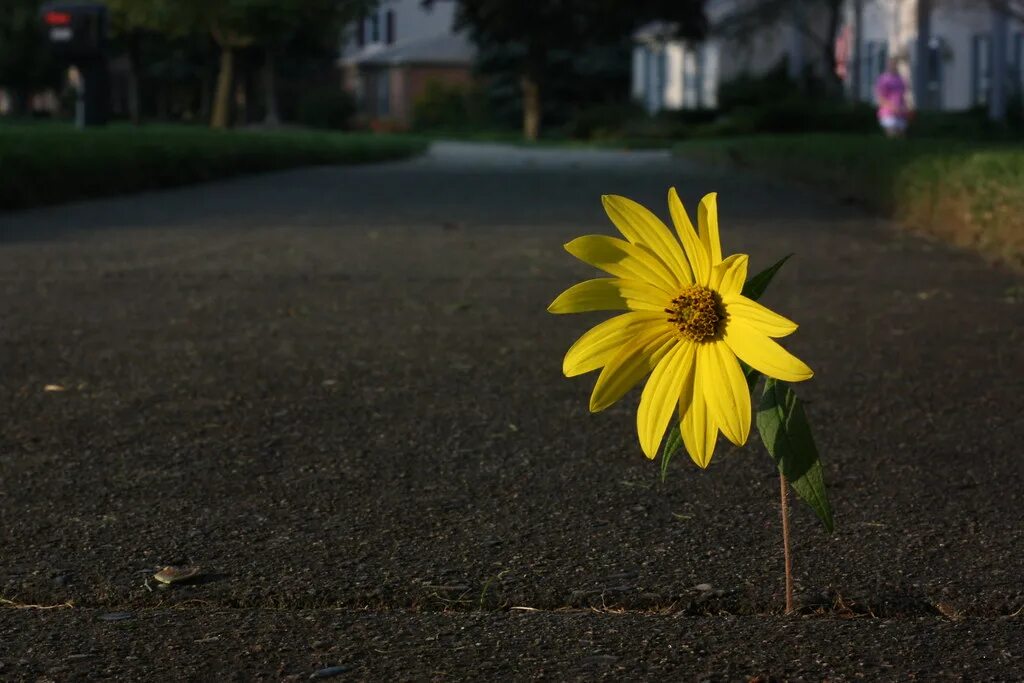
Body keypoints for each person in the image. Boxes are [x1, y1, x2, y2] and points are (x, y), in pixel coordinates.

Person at [875, 58, 909, 138]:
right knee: (891, 135)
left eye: (895, 64)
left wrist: (905, 107)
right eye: (891, 64)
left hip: (901, 114)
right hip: (888, 113)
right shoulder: (883, 79)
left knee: (901, 138)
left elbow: (903, 96)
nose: (893, 66)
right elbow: (880, 98)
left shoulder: (901, 79)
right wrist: (892, 107)